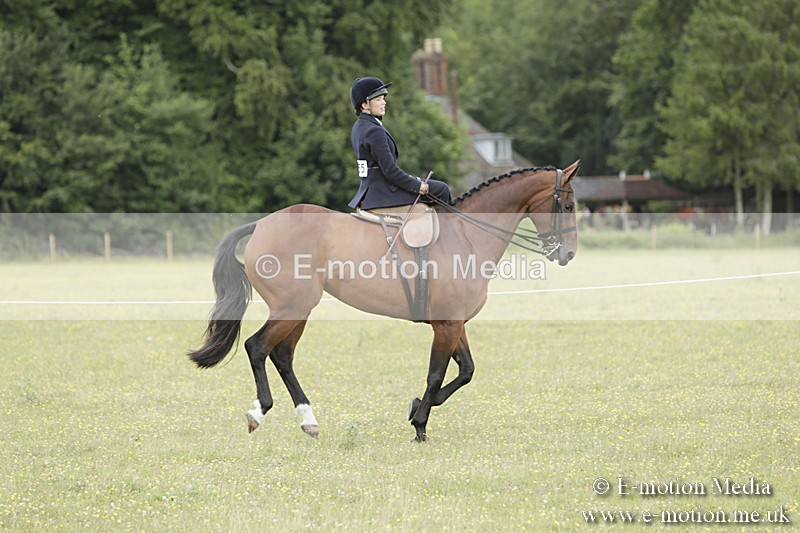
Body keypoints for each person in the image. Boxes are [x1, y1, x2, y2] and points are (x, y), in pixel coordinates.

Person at [347, 77, 452, 210]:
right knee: (441, 189)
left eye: (383, 98)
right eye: (378, 99)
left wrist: (413, 179)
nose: (383, 102)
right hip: (383, 190)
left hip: (370, 188)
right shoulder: (373, 130)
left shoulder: (359, 126)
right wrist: (417, 185)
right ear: (364, 105)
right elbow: (390, 171)